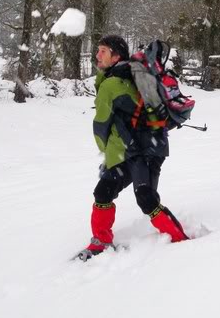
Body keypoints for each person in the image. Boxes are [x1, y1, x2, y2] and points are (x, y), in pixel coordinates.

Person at [77, 34, 188, 260]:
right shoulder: (128, 74)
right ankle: (100, 242)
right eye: (97, 50)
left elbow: (101, 126)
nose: (97, 55)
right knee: (104, 191)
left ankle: (181, 243)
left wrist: (106, 153)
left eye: (103, 51)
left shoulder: (111, 83)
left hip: (141, 150)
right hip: (139, 148)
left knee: (145, 198)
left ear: (116, 56)